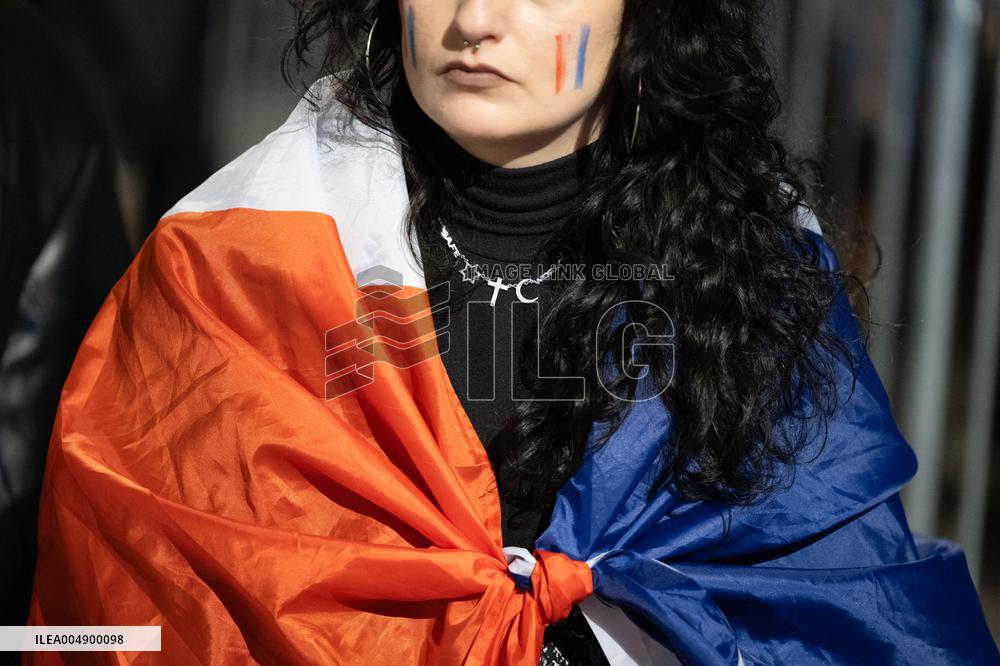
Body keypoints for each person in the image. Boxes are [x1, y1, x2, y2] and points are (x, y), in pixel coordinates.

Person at [26, 1, 999, 664]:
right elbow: (126, 616)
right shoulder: (229, 275)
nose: (474, 22)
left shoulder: (762, 278)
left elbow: (838, 611)